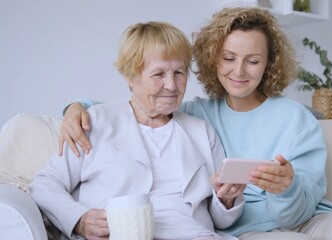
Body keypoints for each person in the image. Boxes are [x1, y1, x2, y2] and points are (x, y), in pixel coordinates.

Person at [58, 7, 332, 240]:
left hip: (305, 219)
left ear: (268, 64)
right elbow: (141, 106)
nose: (239, 71)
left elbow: (295, 215)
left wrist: (287, 189)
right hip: (245, 230)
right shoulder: (196, 115)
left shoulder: (295, 118)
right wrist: (77, 108)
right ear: (213, 58)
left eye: (253, 61)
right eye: (229, 58)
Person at [29, 21, 246, 240]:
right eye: (159, 74)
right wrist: (79, 220)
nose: (172, 85)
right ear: (131, 77)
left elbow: (221, 220)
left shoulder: (201, 132)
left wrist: (226, 199)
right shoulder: (94, 122)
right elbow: (45, 184)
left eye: (179, 72)